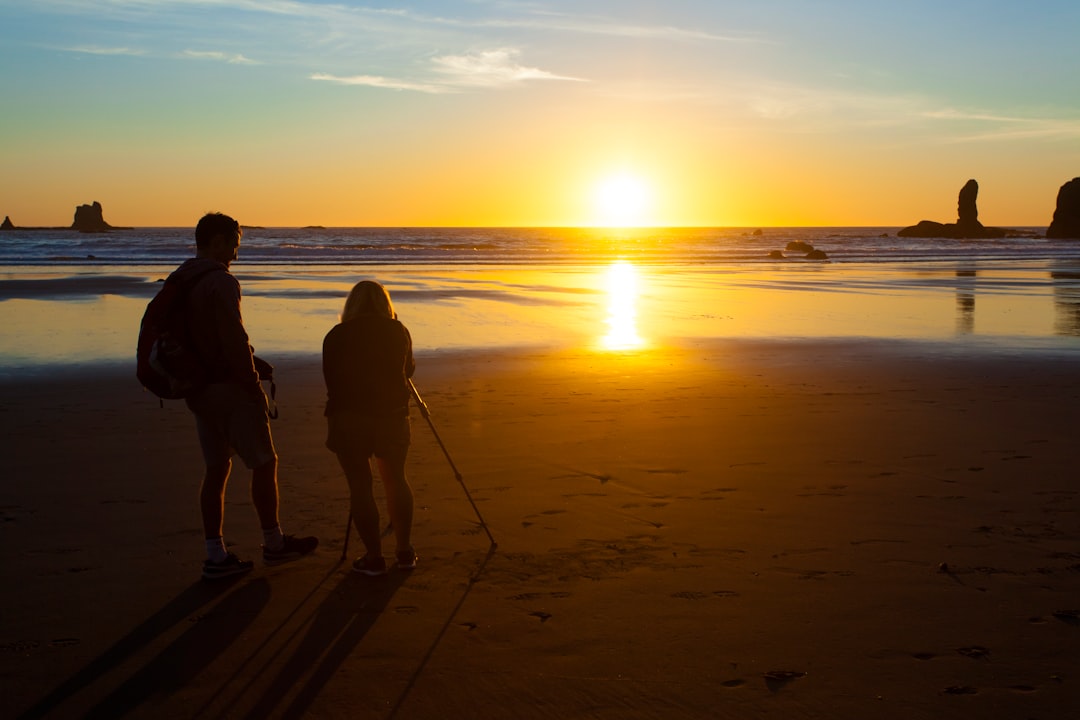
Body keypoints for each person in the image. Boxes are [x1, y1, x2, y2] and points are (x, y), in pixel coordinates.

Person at [179, 212, 318, 580]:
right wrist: (253, 382)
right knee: (264, 463)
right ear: (218, 241)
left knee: (216, 469)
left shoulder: (183, 278)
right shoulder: (221, 282)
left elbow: (205, 338)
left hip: (198, 388)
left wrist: (253, 362)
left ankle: (215, 554)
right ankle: (273, 544)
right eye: (234, 242)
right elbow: (233, 339)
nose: (237, 252)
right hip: (229, 388)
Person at [323, 280, 416, 576]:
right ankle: (404, 551)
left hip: (350, 418)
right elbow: (408, 371)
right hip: (391, 415)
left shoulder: (336, 335)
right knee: (396, 480)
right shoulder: (398, 331)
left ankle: (374, 557)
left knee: (360, 485)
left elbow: (331, 379)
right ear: (386, 305)